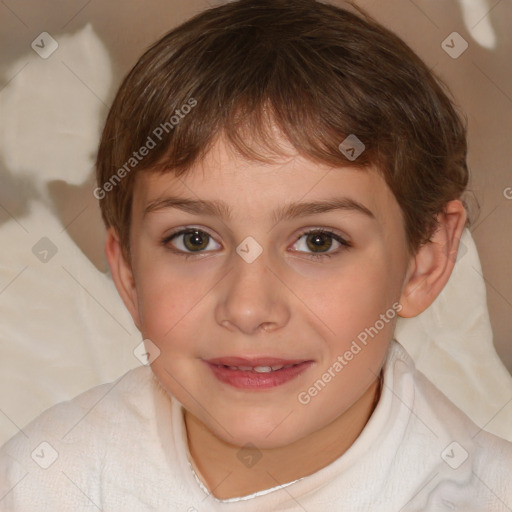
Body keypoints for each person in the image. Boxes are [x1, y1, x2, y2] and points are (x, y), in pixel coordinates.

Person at [1, 0, 511, 510]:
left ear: (425, 260)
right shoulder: (40, 484)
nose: (247, 309)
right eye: (194, 240)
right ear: (129, 272)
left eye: (319, 241)